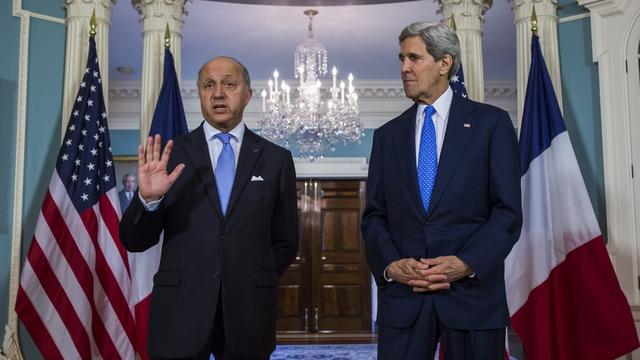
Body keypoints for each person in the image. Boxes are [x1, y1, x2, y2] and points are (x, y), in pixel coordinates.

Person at [119, 56, 299, 360]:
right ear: (200, 94)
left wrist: (250, 275)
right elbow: (135, 240)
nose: (218, 93)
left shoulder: (276, 159)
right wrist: (148, 200)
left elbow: (285, 240)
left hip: (248, 311)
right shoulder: (170, 155)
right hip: (180, 310)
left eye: (229, 84)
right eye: (208, 85)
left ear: (247, 94)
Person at [361, 22, 522, 360]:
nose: (404, 68)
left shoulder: (491, 124)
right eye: (402, 58)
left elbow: (507, 212)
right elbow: (374, 216)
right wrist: (392, 265)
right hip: (405, 300)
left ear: (444, 63)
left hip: (471, 296)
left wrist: (466, 263)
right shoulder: (387, 136)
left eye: (414, 58)